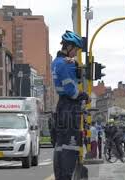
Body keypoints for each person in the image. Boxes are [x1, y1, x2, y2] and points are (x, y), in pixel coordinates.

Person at [51, 30, 90, 180]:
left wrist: (75, 67)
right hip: (70, 107)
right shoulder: (66, 64)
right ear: (69, 47)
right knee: (71, 145)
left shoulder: (56, 62)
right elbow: (72, 91)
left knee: (61, 145)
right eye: (76, 50)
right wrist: (83, 96)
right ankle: (67, 176)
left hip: (61, 106)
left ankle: (61, 176)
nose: (76, 53)